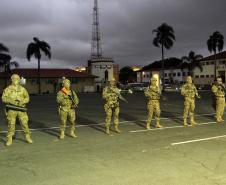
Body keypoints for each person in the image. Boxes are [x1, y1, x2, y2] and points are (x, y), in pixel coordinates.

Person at [2, 74, 33, 146]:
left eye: (17, 78)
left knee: (24, 123)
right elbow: (3, 98)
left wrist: (22, 101)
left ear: (19, 80)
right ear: (11, 79)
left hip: (21, 109)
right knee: (11, 124)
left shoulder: (23, 89)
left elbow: (27, 98)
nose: (16, 80)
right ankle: (9, 138)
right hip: (12, 109)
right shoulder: (8, 89)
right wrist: (10, 101)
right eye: (14, 78)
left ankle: (28, 137)